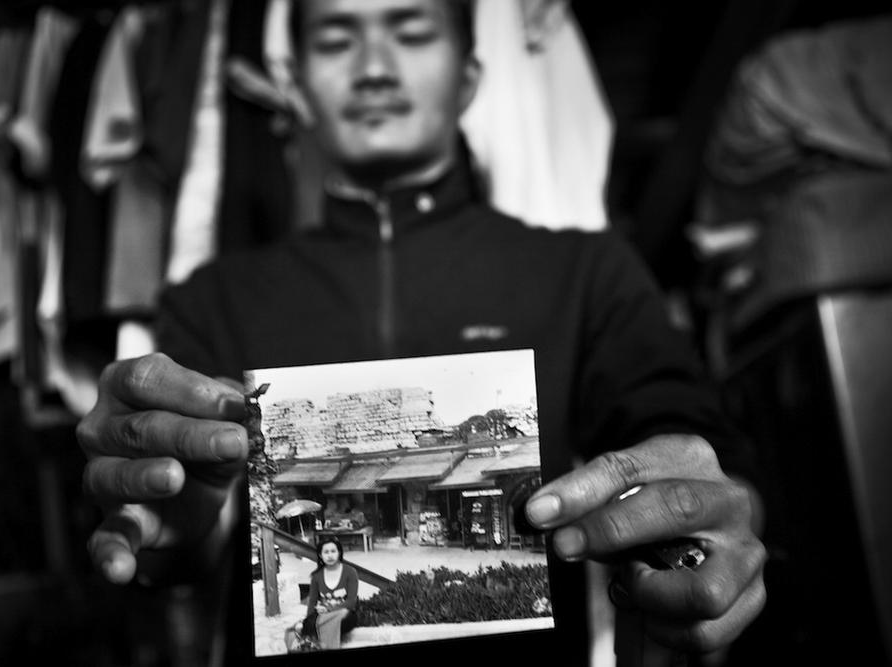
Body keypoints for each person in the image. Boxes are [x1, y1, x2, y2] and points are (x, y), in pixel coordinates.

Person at [76, 0, 766, 661]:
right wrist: (170, 518)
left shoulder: (585, 272)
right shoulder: (212, 298)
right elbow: (181, 531)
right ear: (295, 85)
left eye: (411, 33)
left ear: (468, 78)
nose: (375, 67)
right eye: (337, 40)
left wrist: (713, 513)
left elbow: (690, 439)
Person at [293, 538, 360, 651]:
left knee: (339, 615)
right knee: (310, 622)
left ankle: (314, 641)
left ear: (339, 553)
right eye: (326, 552)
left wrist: (328, 609)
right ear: (320, 555)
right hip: (321, 613)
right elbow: (312, 601)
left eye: (333, 551)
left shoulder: (350, 572)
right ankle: (312, 642)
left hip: (344, 614)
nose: (330, 555)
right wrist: (308, 618)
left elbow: (351, 602)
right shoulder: (316, 576)